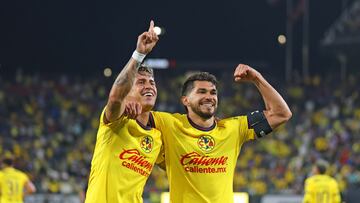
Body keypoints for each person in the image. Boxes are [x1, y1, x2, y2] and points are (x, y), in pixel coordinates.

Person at [149, 65, 292, 203]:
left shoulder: (233, 128)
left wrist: (257, 78)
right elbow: (134, 113)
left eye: (213, 92)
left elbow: (281, 114)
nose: (209, 96)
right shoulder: (169, 124)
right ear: (185, 100)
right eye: (202, 91)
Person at [84, 20, 163, 203]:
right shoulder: (116, 121)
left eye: (151, 82)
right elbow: (115, 98)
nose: (149, 86)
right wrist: (139, 54)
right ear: (128, 90)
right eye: (141, 82)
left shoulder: (158, 137)